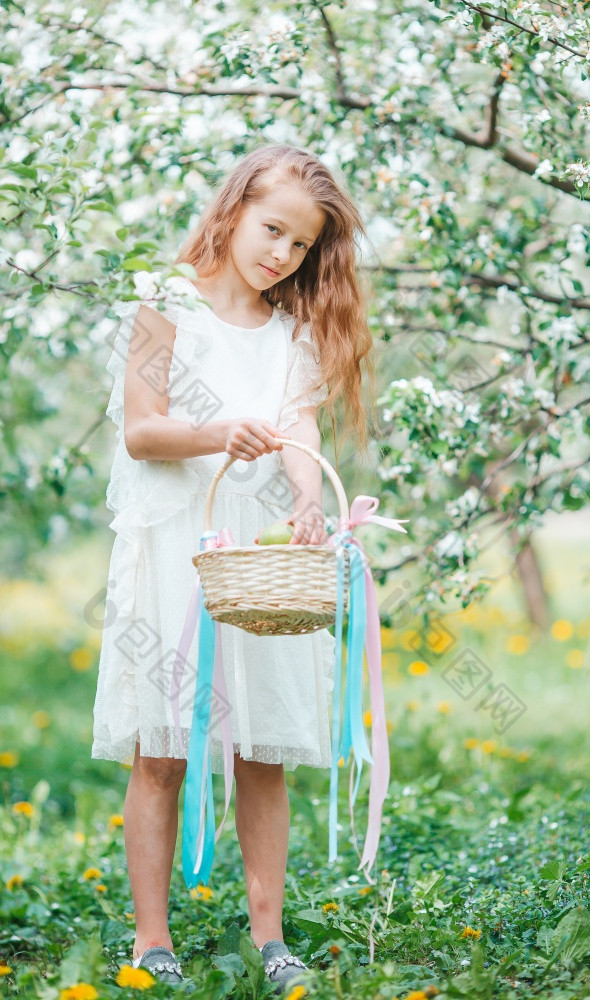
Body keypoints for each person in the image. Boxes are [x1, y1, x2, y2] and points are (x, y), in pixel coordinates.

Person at [91, 142, 375, 994]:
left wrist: (307, 497)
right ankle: (152, 940)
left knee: (262, 750)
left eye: (299, 245)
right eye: (272, 228)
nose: (280, 254)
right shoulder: (162, 304)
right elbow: (144, 431)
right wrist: (222, 431)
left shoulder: (291, 332)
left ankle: (269, 935)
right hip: (179, 539)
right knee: (164, 749)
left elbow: (297, 431)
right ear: (235, 206)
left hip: (254, 553)